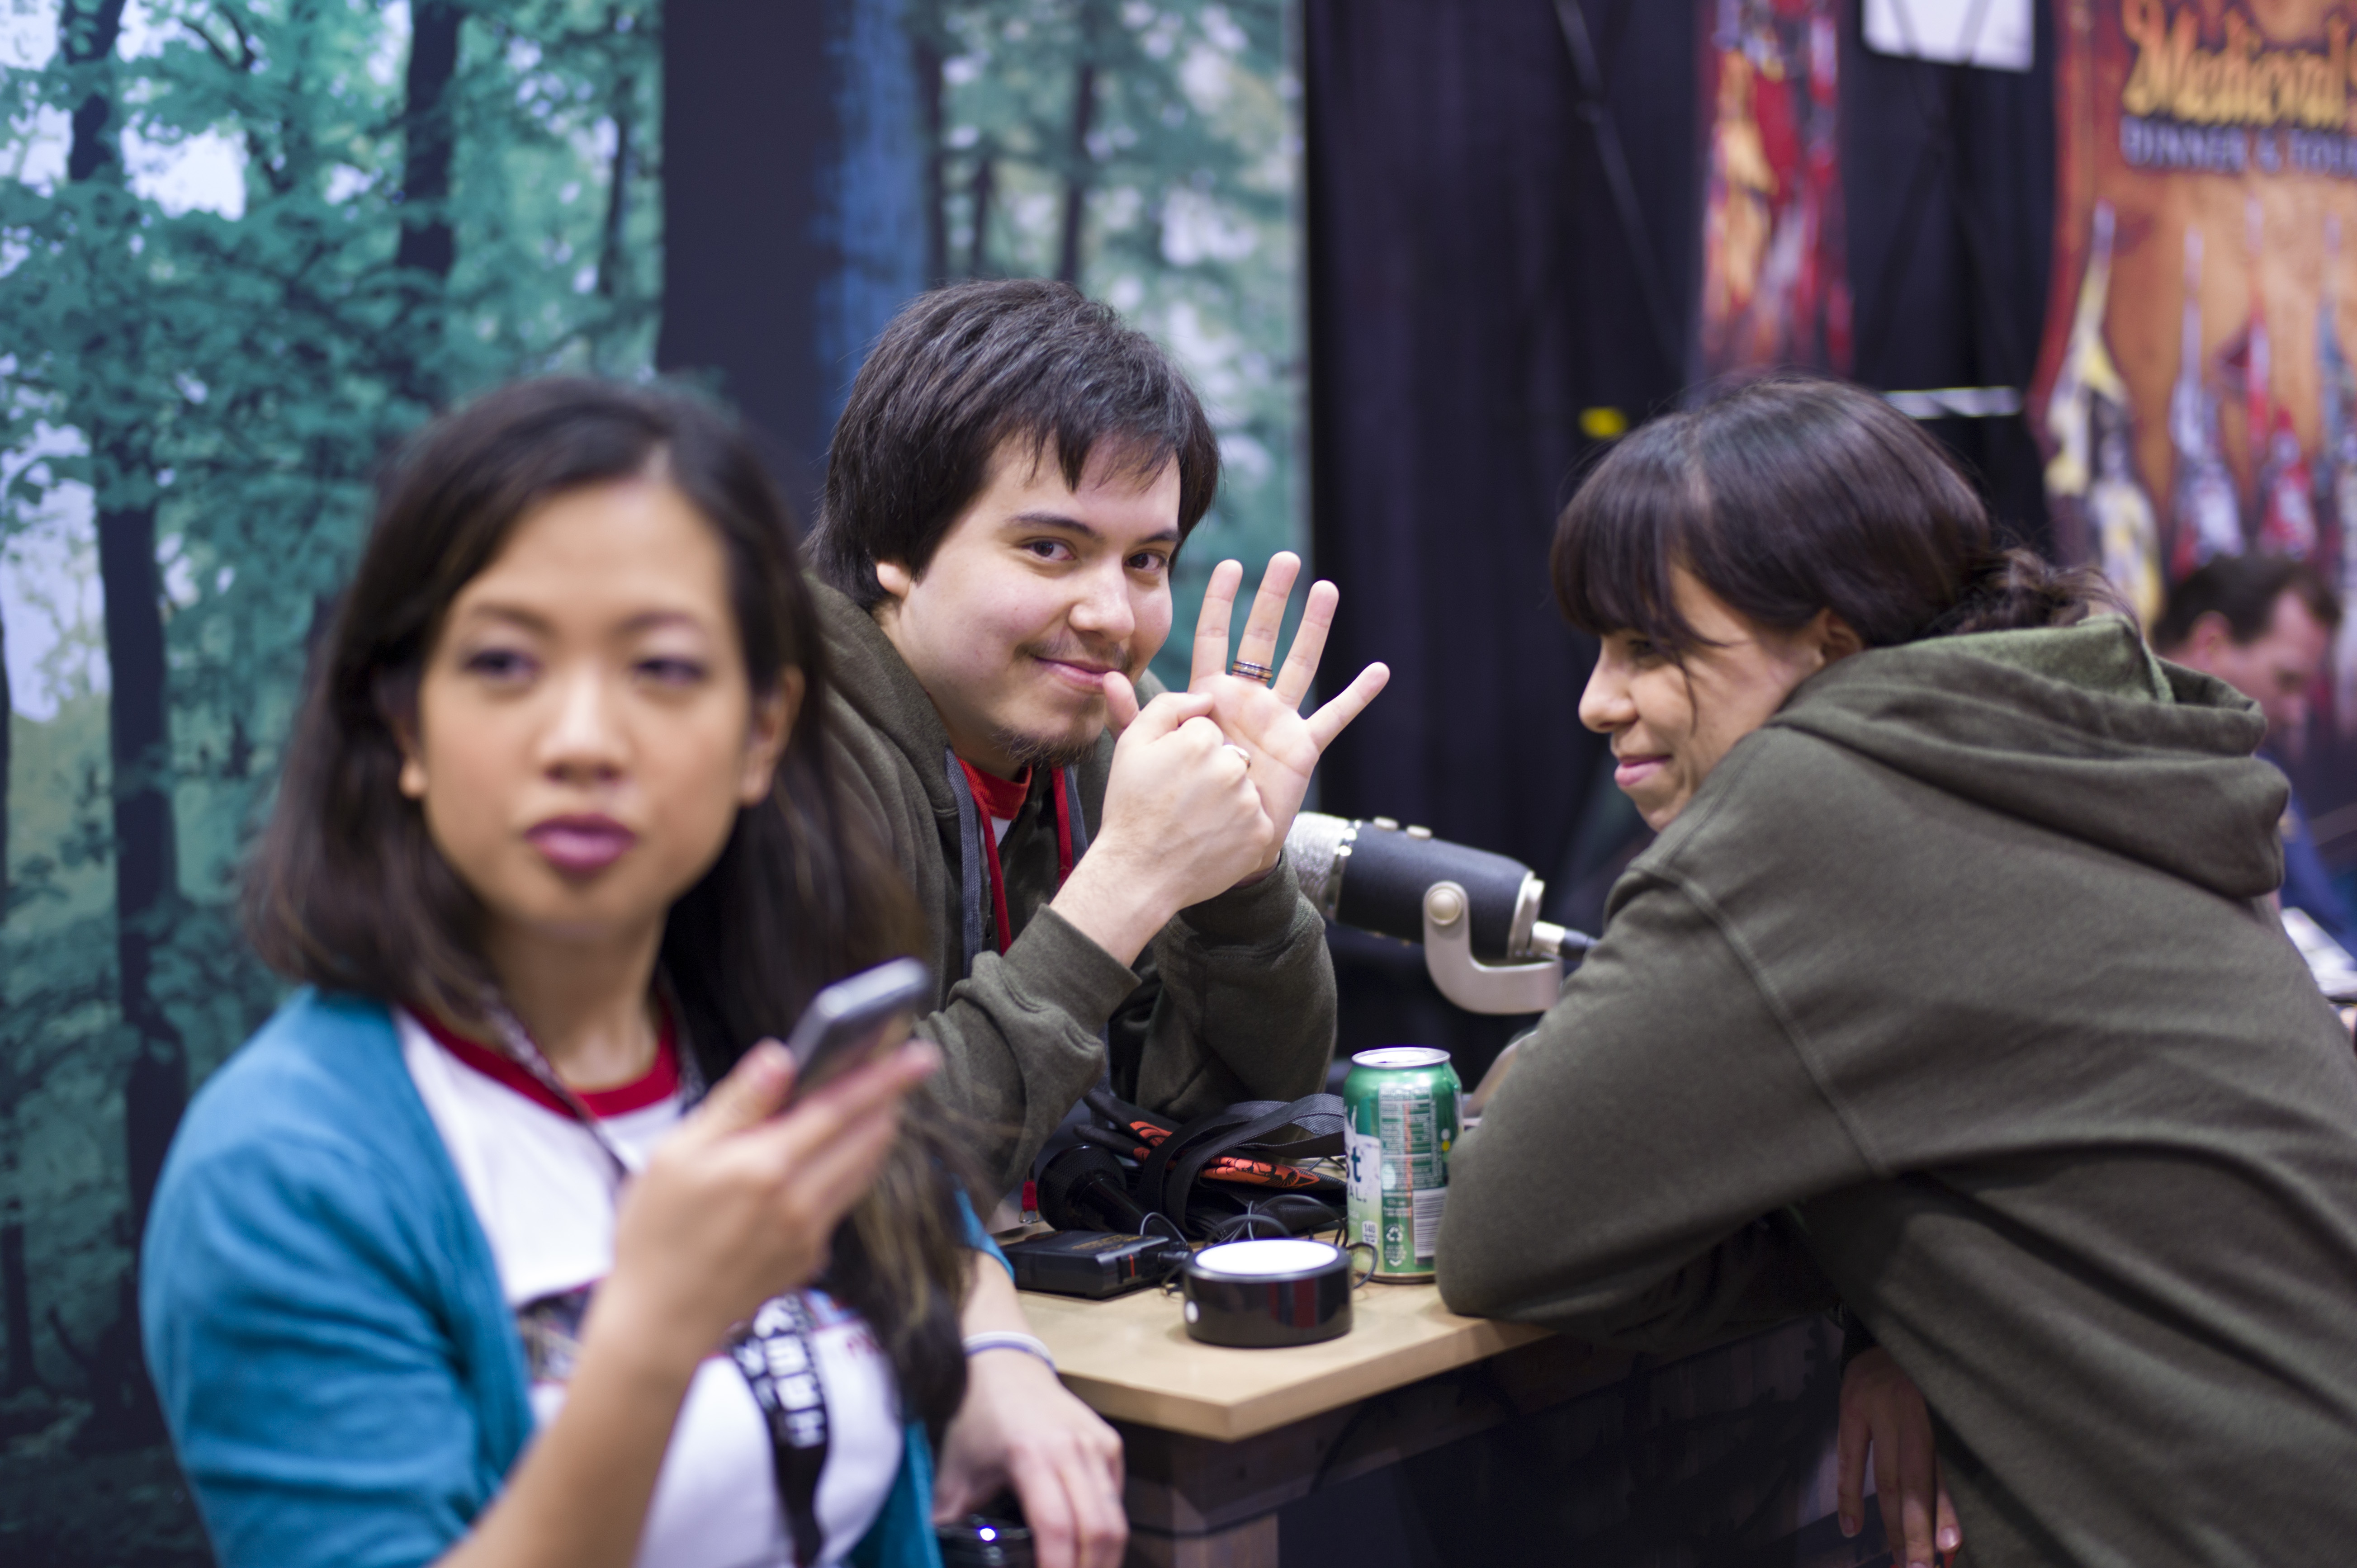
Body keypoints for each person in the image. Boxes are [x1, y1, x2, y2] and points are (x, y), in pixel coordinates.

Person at [140, 380, 1126, 1568]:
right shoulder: (286, 1171)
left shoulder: (763, 1029)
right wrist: (651, 1336)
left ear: (762, 732)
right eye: (505, 663)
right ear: (404, 723)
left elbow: (925, 1202)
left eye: (661, 669)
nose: (583, 742)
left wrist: (996, 1346)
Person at [1438, 376, 2357, 1568]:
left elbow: (1502, 1227)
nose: (1595, 699)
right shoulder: (2079, 748)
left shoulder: (1812, 801)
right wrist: (1893, 1286)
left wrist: (1858, 1254)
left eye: (1650, 646)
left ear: (1827, 645)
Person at [809, 279, 1389, 1191]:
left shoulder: (1117, 730)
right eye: (1049, 548)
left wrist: (1239, 883)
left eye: (1146, 561)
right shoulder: (777, 751)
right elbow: (856, 1179)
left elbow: (1224, 1125)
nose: (1110, 614)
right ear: (895, 543)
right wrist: (1129, 881)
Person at [2152, 554, 2354, 944]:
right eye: (2287, 680)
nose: (2297, 714)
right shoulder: (2134, 775)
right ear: (2212, 645)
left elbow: (2327, 922)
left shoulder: (2257, 766)